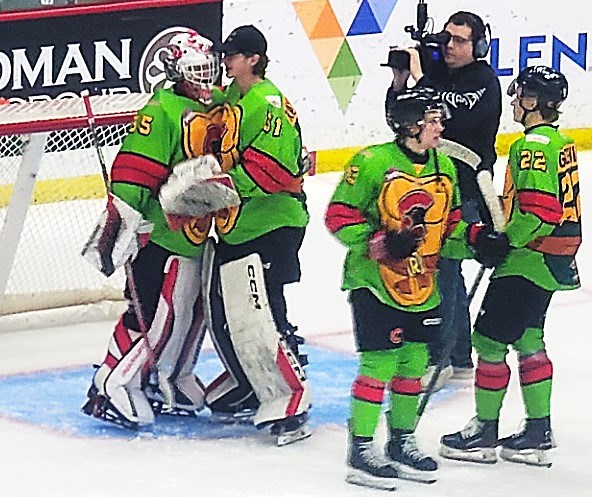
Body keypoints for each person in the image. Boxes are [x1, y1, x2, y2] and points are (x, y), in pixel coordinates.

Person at [81, 29, 239, 429]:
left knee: (189, 313)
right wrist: (124, 226)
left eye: (208, 69)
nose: (205, 79)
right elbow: (134, 172)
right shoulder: (162, 110)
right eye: (195, 71)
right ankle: (114, 382)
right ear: (176, 72)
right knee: (154, 314)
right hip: (160, 235)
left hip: (197, 233)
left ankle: (168, 376)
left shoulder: (218, 104)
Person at [325, 87, 475, 489]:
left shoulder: (445, 166)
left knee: (412, 366)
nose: (440, 127)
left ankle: (401, 439)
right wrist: (381, 243)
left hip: (423, 285)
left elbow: (450, 227)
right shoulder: (372, 163)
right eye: (432, 121)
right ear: (409, 126)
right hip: (375, 283)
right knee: (379, 365)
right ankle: (360, 448)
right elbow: (338, 216)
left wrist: (477, 239)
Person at [440, 66, 580, 468]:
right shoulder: (560, 142)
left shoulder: (531, 145)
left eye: (520, 96)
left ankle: (484, 431)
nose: (515, 102)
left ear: (534, 102)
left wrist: (505, 241)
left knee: (487, 341)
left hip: (527, 258)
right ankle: (538, 431)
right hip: (553, 260)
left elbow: (540, 210)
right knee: (530, 339)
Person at [203, 25, 312, 446]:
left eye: (233, 54)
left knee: (265, 315)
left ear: (254, 59)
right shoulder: (237, 97)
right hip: (242, 225)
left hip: (273, 224)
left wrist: (215, 187)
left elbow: (276, 171)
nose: (226, 60)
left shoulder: (266, 103)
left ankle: (293, 401)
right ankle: (253, 382)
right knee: (231, 312)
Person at [384, 11, 502, 390]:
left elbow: (451, 115)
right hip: (434, 187)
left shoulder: (484, 81)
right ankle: (459, 355)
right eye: (447, 38)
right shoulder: (437, 76)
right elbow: (401, 119)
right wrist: (400, 81)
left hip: (467, 189)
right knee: (445, 270)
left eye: (460, 41)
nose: (449, 46)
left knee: (444, 268)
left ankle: (440, 357)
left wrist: (421, 77)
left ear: (479, 45)